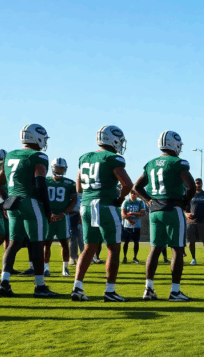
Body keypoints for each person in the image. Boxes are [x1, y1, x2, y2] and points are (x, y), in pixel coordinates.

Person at [0, 123, 58, 298]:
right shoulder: (38, 156)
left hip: (13, 204)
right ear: (35, 137)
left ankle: (4, 282)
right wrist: (47, 209)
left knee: (13, 244)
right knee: (37, 244)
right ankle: (39, 286)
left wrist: (6, 200)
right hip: (31, 203)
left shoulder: (11, 155)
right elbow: (40, 183)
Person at [71, 125, 132, 303]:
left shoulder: (85, 157)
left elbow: (78, 185)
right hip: (105, 205)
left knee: (89, 248)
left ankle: (77, 287)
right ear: (112, 140)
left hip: (86, 205)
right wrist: (120, 199)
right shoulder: (112, 158)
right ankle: (110, 291)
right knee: (113, 248)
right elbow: (127, 184)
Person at [134, 130, 195, 302]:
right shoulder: (178, 162)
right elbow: (191, 186)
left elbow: (136, 187)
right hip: (172, 209)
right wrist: (184, 202)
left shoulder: (151, 163)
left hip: (155, 211)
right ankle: (175, 291)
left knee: (155, 249)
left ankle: (148, 289)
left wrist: (148, 201)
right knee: (177, 249)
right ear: (175, 144)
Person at [43, 157, 77, 278]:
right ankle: (46, 268)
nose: (60, 170)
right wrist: (48, 212)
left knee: (64, 243)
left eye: (62, 168)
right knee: (47, 243)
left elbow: (74, 200)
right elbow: (40, 198)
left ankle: (65, 268)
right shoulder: (45, 181)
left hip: (62, 218)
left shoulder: (70, 183)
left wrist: (64, 213)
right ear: (53, 168)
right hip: (48, 217)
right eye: (58, 168)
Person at [186, 178, 204, 266]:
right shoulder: (189, 195)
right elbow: (185, 210)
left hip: (203, 221)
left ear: (202, 184)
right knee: (191, 241)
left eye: (199, 183)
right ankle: (193, 259)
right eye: (196, 183)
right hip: (191, 222)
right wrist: (187, 214)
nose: (197, 185)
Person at [121, 190, 146, 264]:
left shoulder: (140, 202)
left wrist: (132, 213)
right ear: (129, 194)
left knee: (136, 242)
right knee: (126, 242)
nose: (133, 195)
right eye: (132, 193)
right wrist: (130, 220)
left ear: (137, 194)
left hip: (137, 225)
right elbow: (123, 214)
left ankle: (135, 257)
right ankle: (124, 257)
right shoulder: (126, 201)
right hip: (127, 225)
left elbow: (143, 213)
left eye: (135, 194)